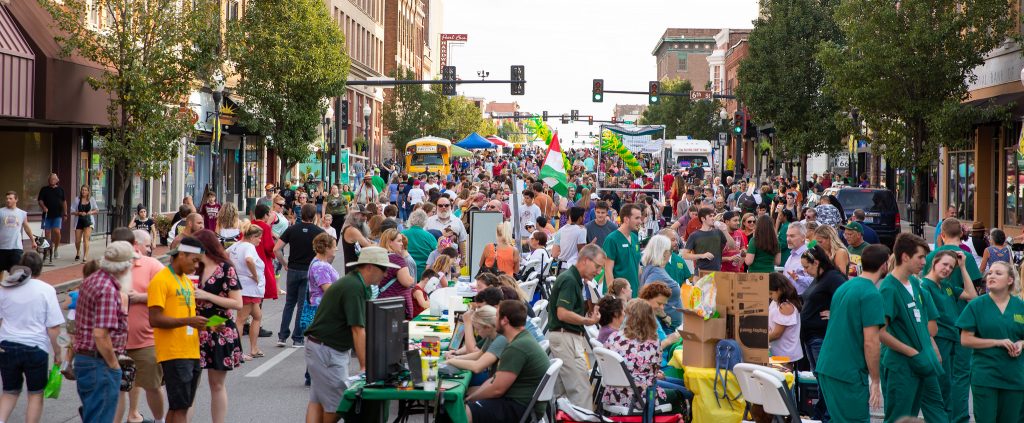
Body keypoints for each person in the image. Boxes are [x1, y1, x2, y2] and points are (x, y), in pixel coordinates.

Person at [303, 247, 398, 423]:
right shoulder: (354, 286)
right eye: (383, 269)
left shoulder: (356, 283)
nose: (386, 274)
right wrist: (365, 367)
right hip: (327, 349)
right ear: (369, 267)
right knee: (340, 403)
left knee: (318, 400)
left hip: (321, 346)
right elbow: (357, 329)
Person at [816, 244, 889, 423]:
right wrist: (876, 380)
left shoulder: (845, 287)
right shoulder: (871, 294)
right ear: (884, 265)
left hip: (829, 367)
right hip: (847, 372)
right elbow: (871, 342)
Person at [878, 233, 945, 423]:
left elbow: (922, 322)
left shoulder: (915, 282)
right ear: (905, 257)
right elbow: (881, 332)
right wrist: (911, 352)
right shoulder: (889, 288)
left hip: (923, 361)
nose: (924, 262)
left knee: (934, 408)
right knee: (899, 417)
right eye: (920, 257)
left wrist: (931, 346)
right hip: (902, 366)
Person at [922, 218, 982, 423]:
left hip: (953, 328)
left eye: (951, 266)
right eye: (945, 265)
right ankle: (956, 417)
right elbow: (976, 294)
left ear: (942, 234)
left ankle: (950, 416)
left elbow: (971, 294)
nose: (948, 268)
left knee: (948, 377)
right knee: (956, 377)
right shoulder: (965, 256)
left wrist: (962, 268)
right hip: (952, 327)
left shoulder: (935, 261)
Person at [147, 236, 208, 423]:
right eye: (194, 260)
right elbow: (154, 319)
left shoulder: (186, 281)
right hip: (174, 352)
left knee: (179, 407)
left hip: (190, 350)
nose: (196, 266)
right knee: (181, 408)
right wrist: (188, 321)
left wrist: (209, 325)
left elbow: (186, 316)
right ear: (181, 255)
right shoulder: (161, 280)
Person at [957, 261, 1024, 423]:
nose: (991, 276)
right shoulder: (976, 305)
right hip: (986, 376)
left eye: (998, 273)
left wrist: (1021, 343)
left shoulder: (1020, 306)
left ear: (1010, 280)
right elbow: (965, 339)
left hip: (1014, 376)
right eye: (990, 273)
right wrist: (997, 342)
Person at [0, 254, 63, 423]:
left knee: (9, 392)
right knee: (35, 394)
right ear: (40, 269)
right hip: (35, 347)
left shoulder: (6, 287)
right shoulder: (46, 290)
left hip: (7, 345)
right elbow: (53, 327)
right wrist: (57, 352)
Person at [75, 241, 133, 423]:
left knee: (93, 414)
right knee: (100, 417)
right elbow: (100, 334)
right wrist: (114, 365)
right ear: (124, 267)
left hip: (87, 360)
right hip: (99, 363)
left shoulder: (92, 280)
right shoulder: (107, 289)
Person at [464, 300, 550, 423]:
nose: (494, 319)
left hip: (520, 408)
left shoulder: (517, 347)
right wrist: (472, 397)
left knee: (461, 412)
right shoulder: (522, 338)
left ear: (504, 320)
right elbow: (494, 380)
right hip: (522, 404)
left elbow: (497, 390)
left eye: (496, 316)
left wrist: (470, 399)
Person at [191, 230, 243, 423]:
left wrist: (206, 295)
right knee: (189, 384)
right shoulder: (192, 267)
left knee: (216, 384)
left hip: (218, 325)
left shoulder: (226, 268)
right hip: (194, 326)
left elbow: (237, 303)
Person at [114, 229, 166, 423]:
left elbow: (169, 294)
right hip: (115, 342)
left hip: (146, 340)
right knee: (118, 389)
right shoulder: (108, 267)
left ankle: (159, 420)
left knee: (152, 386)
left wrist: (142, 297)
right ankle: (129, 416)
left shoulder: (152, 265)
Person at [546, 244, 604, 406]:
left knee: (563, 394)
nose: (599, 271)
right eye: (597, 266)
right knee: (581, 392)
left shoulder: (573, 279)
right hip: (566, 338)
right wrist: (587, 321)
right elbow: (563, 313)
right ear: (585, 260)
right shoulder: (570, 280)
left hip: (564, 337)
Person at [799, 241, 847, 403]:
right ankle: (822, 411)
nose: (805, 271)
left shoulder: (832, 277)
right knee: (819, 377)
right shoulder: (818, 278)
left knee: (825, 379)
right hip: (811, 336)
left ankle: (827, 412)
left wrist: (835, 313)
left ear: (817, 263)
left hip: (821, 336)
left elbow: (848, 297)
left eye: (806, 267)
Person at [601, 299, 669, 409]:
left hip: (612, 394)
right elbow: (653, 375)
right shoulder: (653, 343)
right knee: (681, 394)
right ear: (650, 318)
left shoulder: (614, 337)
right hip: (640, 398)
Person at [274, 204, 324, 348]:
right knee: (302, 305)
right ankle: (298, 338)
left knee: (289, 303)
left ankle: (282, 336)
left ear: (300, 214)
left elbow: (276, 249)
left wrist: (284, 263)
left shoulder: (292, 229)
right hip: (309, 271)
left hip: (293, 269)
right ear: (314, 216)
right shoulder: (319, 232)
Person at [227, 225, 266, 361]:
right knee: (241, 319)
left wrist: (235, 269)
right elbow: (249, 260)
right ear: (252, 237)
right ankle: (236, 352)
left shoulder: (237, 245)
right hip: (248, 288)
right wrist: (254, 275)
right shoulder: (249, 246)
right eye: (259, 238)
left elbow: (224, 254)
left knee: (257, 316)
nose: (260, 241)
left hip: (247, 288)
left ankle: (254, 348)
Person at [446, 305, 506, 390]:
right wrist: (455, 357)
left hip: (494, 382)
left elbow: (477, 367)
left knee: (463, 389)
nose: (477, 333)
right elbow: (479, 354)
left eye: (477, 329)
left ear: (487, 327)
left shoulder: (501, 338)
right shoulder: (491, 334)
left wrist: (451, 361)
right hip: (492, 378)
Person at [640, 235, 683, 328]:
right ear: (664, 253)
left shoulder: (653, 268)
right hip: (665, 327)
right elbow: (646, 298)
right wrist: (664, 316)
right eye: (670, 251)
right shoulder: (656, 272)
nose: (671, 254)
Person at [377, 229, 416, 318]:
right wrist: (412, 279)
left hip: (383, 302)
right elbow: (407, 282)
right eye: (399, 241)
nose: (402, 244)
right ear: (390, 242)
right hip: (396, 306)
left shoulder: (380, 257)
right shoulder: (396, 259)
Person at [603, 204, 642, 294]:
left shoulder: (634, 238)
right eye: (637, 218)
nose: (640, 221)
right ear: (626, 219)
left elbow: (637, 266)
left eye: (640, 218)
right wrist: (613, 295)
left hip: (633, 292)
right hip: (619, 294)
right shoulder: (612, 239)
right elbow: (608, 270)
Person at [767, 272, 802, 366]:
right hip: (778, 350)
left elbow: (777, 333)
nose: (769, 296)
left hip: (784, 353)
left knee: (783, 375)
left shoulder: (786, 306)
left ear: (779, 290)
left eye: (771, 293)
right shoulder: (776, 302)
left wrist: (759, 340)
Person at [683, 207, 731, 272]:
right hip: (701, 272)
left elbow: (732, 246)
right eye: (710, 216)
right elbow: (685, 255)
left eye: (713, 216)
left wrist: (725, 230)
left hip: (717, 272)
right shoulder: (694, 235)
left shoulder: (718, 232)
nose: (713, 218)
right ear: (703, 219)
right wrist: (702, 255)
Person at [0, 191, 35, 274]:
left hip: (16, 247)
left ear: (16, 200)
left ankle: (14, 282)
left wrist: (33, 241)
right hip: (2, 247)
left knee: (15, 271)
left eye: (10, 198)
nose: (8, 200)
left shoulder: (22, 213)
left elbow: (26, 227)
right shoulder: (1, 212)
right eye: (7, 198)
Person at [425, 196, 468, 261]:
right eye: (440, 205)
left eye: (446, 205)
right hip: (434, 260)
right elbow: (424, 240)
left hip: (452, 261)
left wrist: (463, 258)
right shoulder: (429, 221)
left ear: (450, 206)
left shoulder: (457, 221)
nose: (443, 207)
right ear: (436, 207)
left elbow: (462, 241)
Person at [252, 205, 278, 305]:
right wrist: (274, 254)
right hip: (262, 258)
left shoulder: (250, 224)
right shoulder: (265, 227)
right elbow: (269, 247)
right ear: (265, 215)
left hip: (249, 257)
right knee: (261, 286)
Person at [37, 173, 67, 258]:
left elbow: (64, 202)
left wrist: (65, 213)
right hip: (47, 215)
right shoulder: (44, 189)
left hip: (57, 214)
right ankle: (48, 250)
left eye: (54, 179)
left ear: (57, 180)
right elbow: (40, 200)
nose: (52, 180)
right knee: (47, 233)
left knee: (57, 231)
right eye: (51, 179)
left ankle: (56, 249)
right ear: (48, 180)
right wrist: (43, 207)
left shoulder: (60, 190)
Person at [403, 209, 438, 280]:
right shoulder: (429, 236)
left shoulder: (402, 234)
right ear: (425, 221)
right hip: (424, 273)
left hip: (406, 271)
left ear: (411, 220)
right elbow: (437, 252)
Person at [783, 222, 814, 294]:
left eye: (792, 236)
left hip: (801, 299)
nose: (788, 239)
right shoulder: (792, 255)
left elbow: (814, 281)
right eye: (787, 236)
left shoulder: (808, 255)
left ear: (803, 237)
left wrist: (798, 278)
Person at [71, 184, 98, 262]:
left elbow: (97, 210)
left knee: (86, 239)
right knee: (77, 240)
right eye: (82, 190)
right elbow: (72, 211)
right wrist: (79, 213)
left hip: (88, 221)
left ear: (88, 191)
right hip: (79, 221)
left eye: (85, 190)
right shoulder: (77, 199)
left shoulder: (91, 199)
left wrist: (90, 212)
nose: (84, 191)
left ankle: (85, 256)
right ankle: (78, 252)